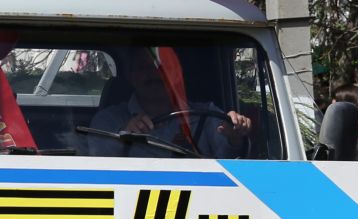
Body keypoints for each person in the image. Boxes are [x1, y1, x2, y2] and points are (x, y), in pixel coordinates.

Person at [85, 45, 254, 158]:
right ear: (130, 75)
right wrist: (122, 137)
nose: (153, 74)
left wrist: (235, 136)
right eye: (143, 67)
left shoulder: (208, 115)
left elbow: (230, 159)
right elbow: (94, 160)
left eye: (162, 68)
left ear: (176, 73)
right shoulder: (108, 120)